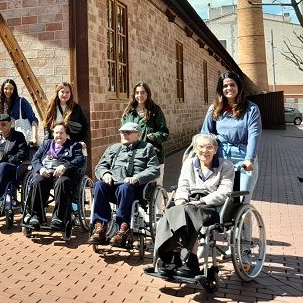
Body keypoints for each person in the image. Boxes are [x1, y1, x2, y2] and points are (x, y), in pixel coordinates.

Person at [153, 133, 235, 278]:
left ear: (215, 150)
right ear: (195, 149)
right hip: (188, 203)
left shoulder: (226, 166)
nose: (205, 151)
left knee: (187, 212)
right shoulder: (189, 163)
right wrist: (181, 200)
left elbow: (224, 192)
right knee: (172, 212)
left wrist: (202, 201)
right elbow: (183, 186)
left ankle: (185, 260)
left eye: (209, 147)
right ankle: (175, 258)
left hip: (212, 207)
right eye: (201, 147)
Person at [88, 121, 160, 247]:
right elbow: (101, 166)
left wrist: (137, 177)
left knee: (125, 188)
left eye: (128, 132)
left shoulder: (147, 148)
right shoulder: (113, 148)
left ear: (138, 134)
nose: (124, 134)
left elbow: (154, 169)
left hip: (134, 188)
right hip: (113, 184)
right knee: (99, 185)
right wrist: (105, 174)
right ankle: (100, 227)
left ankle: (122, 228)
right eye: (122, 132)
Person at [201, 70, 261, 202]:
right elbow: (205, 134)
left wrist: (249, 159)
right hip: (220, 157)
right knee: (218, 199)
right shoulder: (215, 109)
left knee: (242, 201)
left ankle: (245, 222)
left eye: (232, 85)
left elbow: (253, 135)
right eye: (225, 86)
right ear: (220, 89)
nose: (229, 88)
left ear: (239, 86)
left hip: (243, 157)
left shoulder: (251, 109)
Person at [24, 122, 85, 228]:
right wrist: (40, 169)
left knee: (62, 182)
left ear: (67, 134)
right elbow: (35, 159)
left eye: (61, 133)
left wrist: (65, 166)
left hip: (64, 175)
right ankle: (36, 216)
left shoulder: (74, 146)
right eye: (56, 133)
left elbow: (80, 160)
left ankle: (59, 217)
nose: (58, 135)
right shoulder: (46, 144)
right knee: (37, 181)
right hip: (46, 173)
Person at [121, 82, 169, 184]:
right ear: (134, 95)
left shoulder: (155, 110)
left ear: (147, 94)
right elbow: (123, 132)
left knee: (155, 186)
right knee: (134, 186)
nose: (140, 95)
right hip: (133, 157)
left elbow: (164, 133)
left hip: (153, 156)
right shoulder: (129, 112)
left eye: (142, 92)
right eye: (137, 93)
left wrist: (154, 136)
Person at [0, 78, 38, 147]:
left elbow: (33, 120)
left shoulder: (21, 101)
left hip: (24, 140)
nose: (8, 91)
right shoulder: (2, 105)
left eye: (11, 89)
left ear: (14, 90)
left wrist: (34, 137)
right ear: (2, 90)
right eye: (6, 88)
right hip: (9, 141)